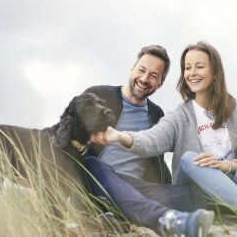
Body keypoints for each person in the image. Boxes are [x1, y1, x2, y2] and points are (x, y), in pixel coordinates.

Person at [90, 41, 237, 226]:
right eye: (187, 68)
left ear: (215, 71)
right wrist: (120, 136)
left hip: (234, 182)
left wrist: (227, 165)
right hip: (195, 190)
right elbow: (152, 139)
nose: (192, 73)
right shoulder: (180, 116)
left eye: (199, 66)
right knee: (191, 159)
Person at [84, 45, 214, 237]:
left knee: (200, 193)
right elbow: (68, 139)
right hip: (98, 186)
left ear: (160, 82)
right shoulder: (98, 96)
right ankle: (166, 220)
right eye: (141, 70)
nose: (144, 79)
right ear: (132, 69)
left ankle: (121, 216)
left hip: (139, 192)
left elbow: (157, 160)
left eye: (154, 75)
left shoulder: (156, 114)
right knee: (91, 164)